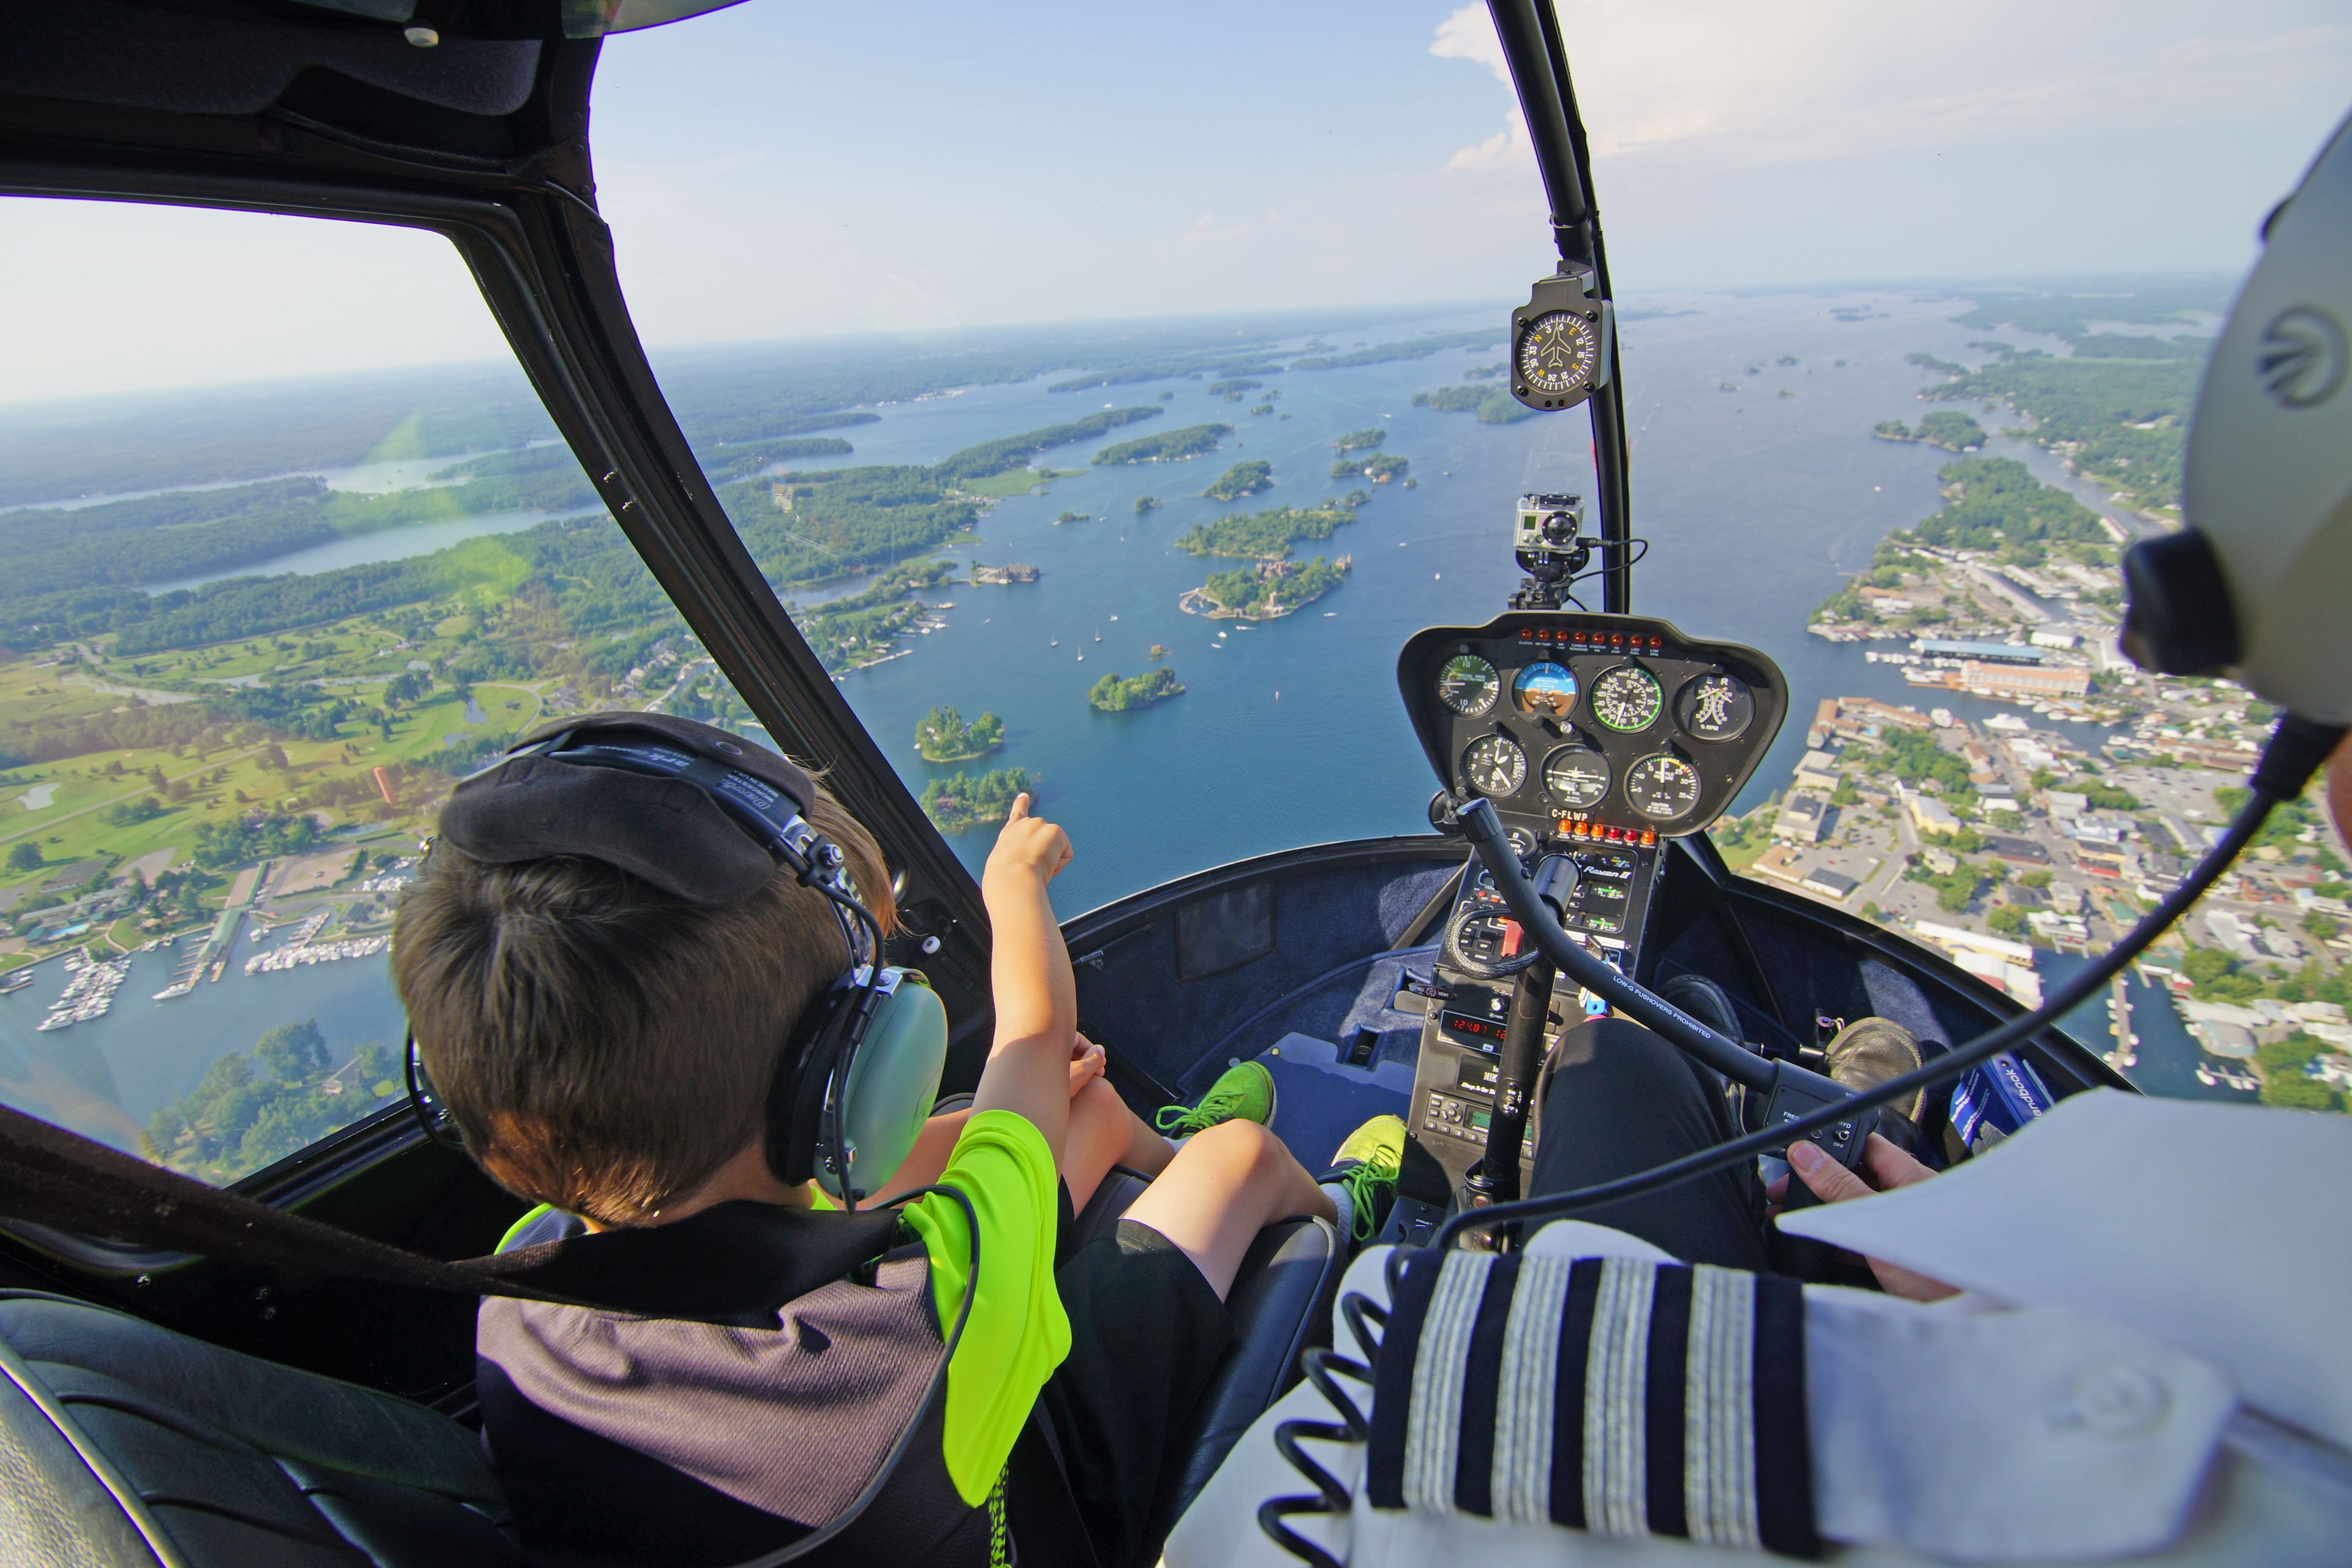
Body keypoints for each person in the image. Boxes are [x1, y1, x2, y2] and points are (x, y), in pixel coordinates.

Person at [392, 716, 1403, 1568]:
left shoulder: (522, 1285)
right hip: (1049, 1489)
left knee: (1072, 1113)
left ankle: (1162, 1148)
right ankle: (1345, 1221)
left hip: (870, 1490)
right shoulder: (936, 1307)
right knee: (1239, 1158)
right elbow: (1036, 1036)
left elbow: (971, 1113)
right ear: (850, 1077)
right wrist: (1014, 884)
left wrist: (1008, 1111)